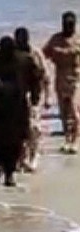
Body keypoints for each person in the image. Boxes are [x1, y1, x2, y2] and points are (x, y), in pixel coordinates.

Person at [0, 36, 42, 187]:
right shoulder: (21, 59)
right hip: (7, 105)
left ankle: (3, 172)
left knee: (8, 140)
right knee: (4, 139)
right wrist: (35, 98)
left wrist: (34, 98)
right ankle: (5, 172)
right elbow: (36, 79)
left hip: (10, 105)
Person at [16, 27, 53, 172]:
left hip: (34, 95)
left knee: (33, 128)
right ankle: (22, 158)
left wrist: (48, 97)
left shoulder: (35, 53)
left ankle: (34, 155)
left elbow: (46, 76)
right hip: (17, 97)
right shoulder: (13, 53)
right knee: (19, 129)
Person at [43, 11, 80, 153]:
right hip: (60, 78)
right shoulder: (55, 39)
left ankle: (75, 141)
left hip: (76, 79)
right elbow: (43, 55)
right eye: (66, 25)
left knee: (75, 111)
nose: (68, 27)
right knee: (63, 112)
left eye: (71, 25)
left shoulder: (78, 39)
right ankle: (67, 139)